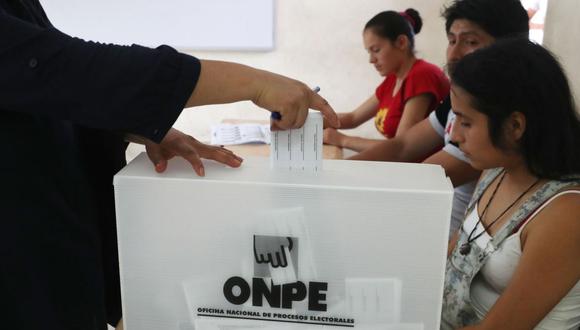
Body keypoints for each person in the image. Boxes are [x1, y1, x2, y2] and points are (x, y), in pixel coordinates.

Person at [0, 1, 340, 330]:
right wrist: (254, 83)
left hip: (55, 248)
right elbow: (60, 69)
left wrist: (136, 125)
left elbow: (48, 97)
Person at [348, 0, 529, 237]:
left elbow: (428, 179)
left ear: (510, 47)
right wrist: (337, 171)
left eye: (470, 42)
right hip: (443, 233)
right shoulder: (462, 99)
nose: (453, 54)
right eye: (452, 41)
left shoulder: (500, 114)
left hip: (451, 241)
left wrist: (342, 176)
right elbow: (402, 146)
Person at [441, 38, 580, 330]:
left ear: (515, 126)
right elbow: (455, 253)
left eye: (466, 123)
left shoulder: (566, 213)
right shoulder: (496, 170)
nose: (454, 136)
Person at [323, 9, 449, 157]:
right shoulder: (393, 79)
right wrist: (316, 120)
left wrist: (343, 140)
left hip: (426, 170)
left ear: (401, 42)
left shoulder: (422, 76)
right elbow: (354, 117)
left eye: (376, 50)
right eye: (369, 52)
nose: (371, 60)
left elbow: (401, 146)